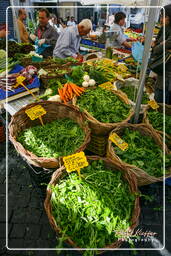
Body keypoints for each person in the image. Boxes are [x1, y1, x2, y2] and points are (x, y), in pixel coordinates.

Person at [152, 5, 171, 104]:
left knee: (160, 102)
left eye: (163, 16)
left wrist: (161, 45)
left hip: (167, 76)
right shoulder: (165, 28)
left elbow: (157, 49)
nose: (162, 19)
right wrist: (161, 44)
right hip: (163, 71)